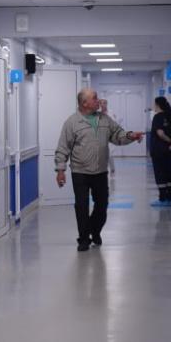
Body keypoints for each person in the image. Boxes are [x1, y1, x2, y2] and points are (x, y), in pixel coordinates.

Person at [55, 88, 145, 251]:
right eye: (95, 98)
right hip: (80, 172)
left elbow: (118, 135)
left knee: (102, 206)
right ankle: (83, 239)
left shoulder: (105, 119)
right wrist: (60, 170)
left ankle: (94, 230)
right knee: (81, 206)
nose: (98, 100)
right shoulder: (72, 122)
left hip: (100, 171)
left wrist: (130, 136)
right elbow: (63, 147)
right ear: (85, 103)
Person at [149, 96, 171, 207]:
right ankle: (170, 198)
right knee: (169, 173)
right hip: (168, 150)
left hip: (158, 151)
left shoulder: (157, 117)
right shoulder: (170, 116)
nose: (153, 107)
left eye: (154, 104)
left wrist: (167, 139)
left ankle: (163, 199)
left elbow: (160, 133)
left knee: (160, 174)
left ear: (157, 105)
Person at [98, 98, 117, 175]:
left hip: (110, 135)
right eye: (101, 103)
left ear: (106, 104)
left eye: (104, 103)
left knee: (110, 153)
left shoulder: (111, 112)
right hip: (100, 135)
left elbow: (114, 123)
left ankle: (112, 168)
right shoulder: (97, 113)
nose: (103, 105)